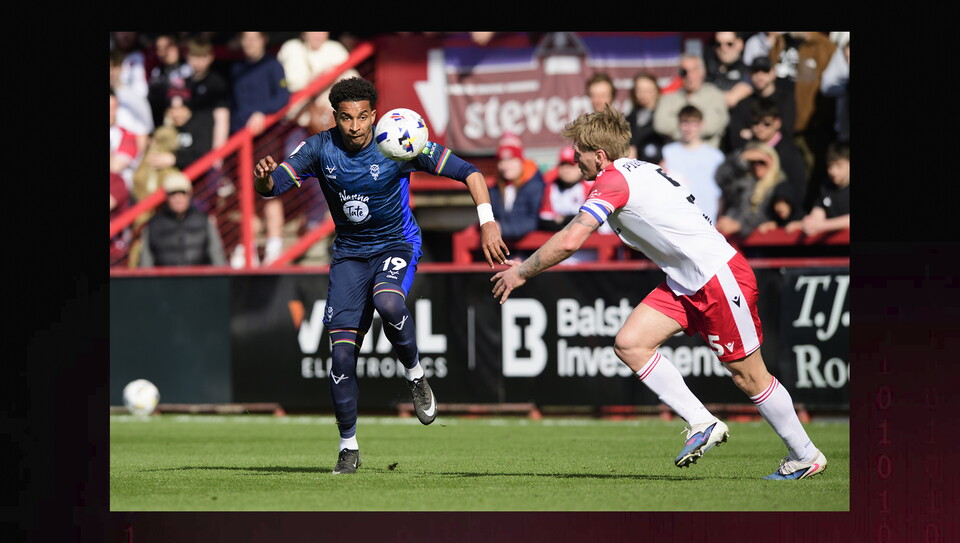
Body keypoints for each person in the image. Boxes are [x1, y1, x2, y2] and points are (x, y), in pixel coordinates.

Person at [491, 105, 827, 480]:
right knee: (630, 343)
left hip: (717, 276)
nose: (574, 158)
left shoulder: (613, 180)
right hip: (685, 280)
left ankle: (805, 454)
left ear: (599, 156)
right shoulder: (641, 169)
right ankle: (702, 422)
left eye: (579, 152)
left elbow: (572, 239)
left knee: (749, 377)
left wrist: (521, 272)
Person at [252, 76, 509, 474]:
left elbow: (471, 173)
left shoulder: (400, 141)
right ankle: (348, 447)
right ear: (334, 116)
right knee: (340, 358)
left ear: (374, 114)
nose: (354, 127)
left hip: (396, 245)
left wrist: (487, 221)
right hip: (349, 258)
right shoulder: (320, 147)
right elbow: (273, 187)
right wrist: (265, 178)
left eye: (361, 117)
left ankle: (416, 376)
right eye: (345, 118)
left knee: (388, 301)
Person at [230, 31, 292, 265]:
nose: (249, 43)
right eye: (245, 38)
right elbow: (234, 106)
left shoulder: (273, 65)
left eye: (254, 38)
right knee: (245, 195)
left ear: (263, 40)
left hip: (267, 139)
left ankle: (274, 248)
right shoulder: (236, 69)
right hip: (240, 142)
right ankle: (248, 249)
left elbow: (283, 97)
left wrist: (262, 114)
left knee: (270, 191)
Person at [138, 172, 227, 267]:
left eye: (182, 193)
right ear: (167, 198)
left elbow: (217, 257)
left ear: (189, 195)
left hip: (199, 280)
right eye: (173, 194)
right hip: (165, 280)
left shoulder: (204, 221)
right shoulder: (153, 225)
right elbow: (146, 262)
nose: (178, 199)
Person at [714, 142, 795, 239]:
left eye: (761, 162)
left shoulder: (780, 187)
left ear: (772, 161)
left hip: (761, 243)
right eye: (753, 162)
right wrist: (740, 157)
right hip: (732, 238)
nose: (757, 166)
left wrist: (740, 225)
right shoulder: (745, 181)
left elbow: (769, 217)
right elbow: (721, 178)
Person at [539, 146, 605, 263]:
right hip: (560, 251)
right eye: (563, 165)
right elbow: (545, 222)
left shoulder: (591, 186)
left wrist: (562, 219)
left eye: (571, 165)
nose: (566, 169)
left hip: (591, 250)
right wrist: (574, 220)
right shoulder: (551, 187)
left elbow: (593, 222)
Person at [660, 105, 725, 225]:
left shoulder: (716, 156)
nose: (689, 128)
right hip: (677, 222)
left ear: (701, 124)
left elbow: (721, 193)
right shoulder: (667, 153)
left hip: (708, 222)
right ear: (678, 124)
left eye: (694, 123)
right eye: (685, 123)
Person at [653, 53, 729, 148]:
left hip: (707, 157)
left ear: (703, 71)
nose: (689, 75)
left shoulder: (715, 96)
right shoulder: (668, 98)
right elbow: (660, 125)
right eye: (684, 71)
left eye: (694, 70)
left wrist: (678, 128)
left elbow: (710, 127)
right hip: (674, 157)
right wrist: (694, 127)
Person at [723, 56, 796, 155]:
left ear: (773, 73)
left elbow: (786, 133)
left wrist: (753, 133)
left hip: (779, 156)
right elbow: (735, 139)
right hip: (749, 155)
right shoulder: (743, 104)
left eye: (765, 71)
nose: (760, 76)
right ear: (749, 74)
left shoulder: (786, 100)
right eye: (756, 71)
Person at [488, 132, 545, 246]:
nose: (505, 165)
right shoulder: (495, 189)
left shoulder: (535, 185)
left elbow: (535, 220)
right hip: (504, 249)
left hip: (531, 249)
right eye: (501, 161)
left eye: (511, 159)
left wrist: (502, 228)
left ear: (520, 161)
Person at [786, 141, 849, 237]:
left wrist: (823, 225)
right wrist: (805, 224)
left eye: (838, 165)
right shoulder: (826, 187)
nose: (833, 171)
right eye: (830, 166)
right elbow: (818, 214)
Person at [147, 33, 193, 129]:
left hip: (191, 124)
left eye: (167, 47)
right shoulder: (156, 73)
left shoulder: (190, 69)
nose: (164, 53)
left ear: (177, 46)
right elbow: (152, 101)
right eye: (159, 49)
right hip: (163, 125)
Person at [624, 72, 667, 164]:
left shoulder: (666, 117)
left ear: (657, 91)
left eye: (648, 90)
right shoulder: (629, 119)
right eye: (639, 90)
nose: (643, 94)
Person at [704, 32, 753, 110]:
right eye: (718, 44)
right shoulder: (708, 70)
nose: (723, 49)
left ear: (740, 44)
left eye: (729, 44)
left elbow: (731, 100)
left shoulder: (748, 71)